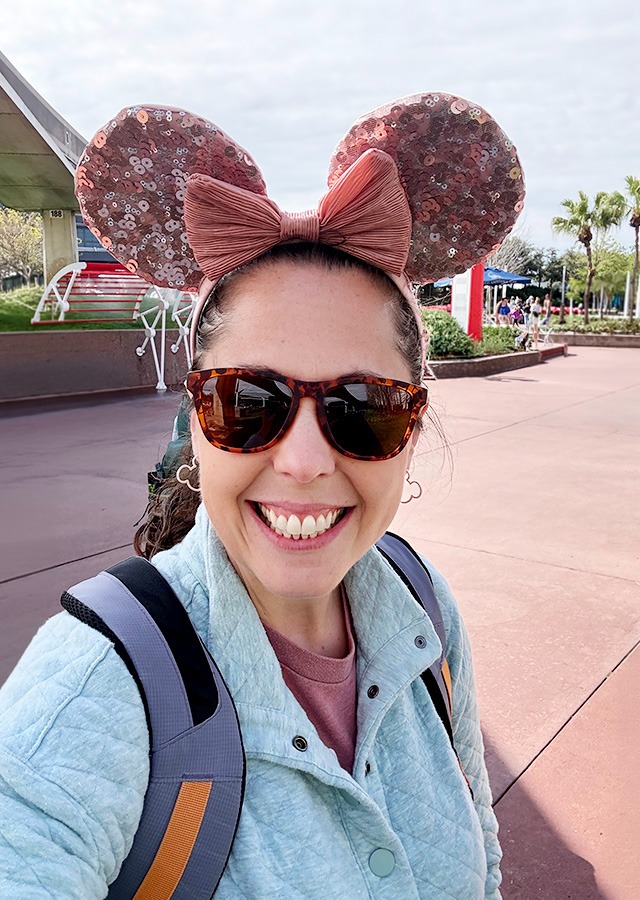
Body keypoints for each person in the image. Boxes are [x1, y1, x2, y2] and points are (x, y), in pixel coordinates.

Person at [0, 92, 524, 898]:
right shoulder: (97, 683)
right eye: (250, 401)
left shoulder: (427, 612)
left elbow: (480, 854)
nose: (306, 460)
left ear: (413, 426)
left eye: (363, 407)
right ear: (195, 414)